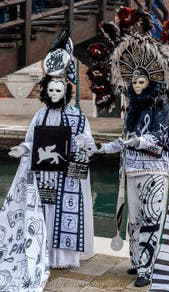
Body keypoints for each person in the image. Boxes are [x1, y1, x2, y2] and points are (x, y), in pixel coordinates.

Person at [88, 5, 169, 290]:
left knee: (151, 219)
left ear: (151, 80)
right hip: (133, 172)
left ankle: (148, 270)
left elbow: (161, 137)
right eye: (133, 82)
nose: (137, 86)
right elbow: (124, 139)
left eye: (141, 81)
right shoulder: (133, 109)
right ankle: (137, 262)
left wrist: (140, 141)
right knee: (134, 222)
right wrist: (101, 148)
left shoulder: (162, 105)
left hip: (155, 173)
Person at [0, 32, 96, 291]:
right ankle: (42, 251)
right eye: (50, 90)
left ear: (65, 90)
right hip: (45, 174)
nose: (54, 94)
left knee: (66, 212)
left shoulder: (77, 115)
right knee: (44, 212)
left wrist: (82, 145)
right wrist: (22, 149)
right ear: (46, 91)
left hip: (68, 175)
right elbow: (32, 141)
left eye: (59, 90)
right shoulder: (40, 116)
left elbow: (89, 142)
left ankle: (63, 257)